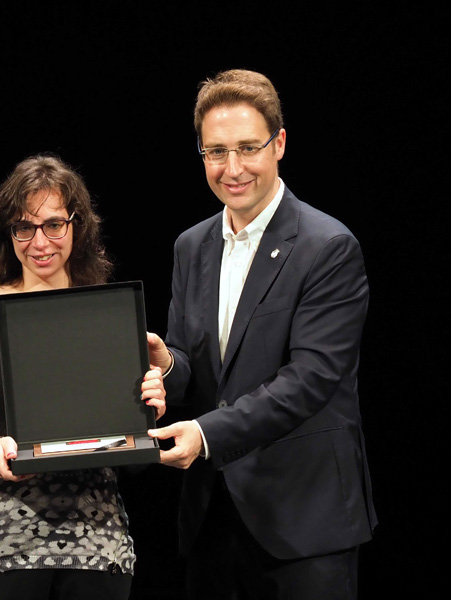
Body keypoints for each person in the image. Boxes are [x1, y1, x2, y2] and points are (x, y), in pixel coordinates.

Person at [146, 69, 377, 599]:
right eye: (215, 152)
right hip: (211, 518)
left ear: (279, 144)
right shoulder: (190, 245)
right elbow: (196, 365)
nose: (232, 169)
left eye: (248, 148)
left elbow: (311, 378)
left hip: (304, 522)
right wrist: (166, 366)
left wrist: (206, 434)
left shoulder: (328, 247)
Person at [0, 154, 167, 600]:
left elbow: (134, 457)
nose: (39, 241)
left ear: (77, 227)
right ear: (8, 233)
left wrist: (148, 410)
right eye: (24, 227)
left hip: (96, 547)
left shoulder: (107, 316)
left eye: (54, 224)